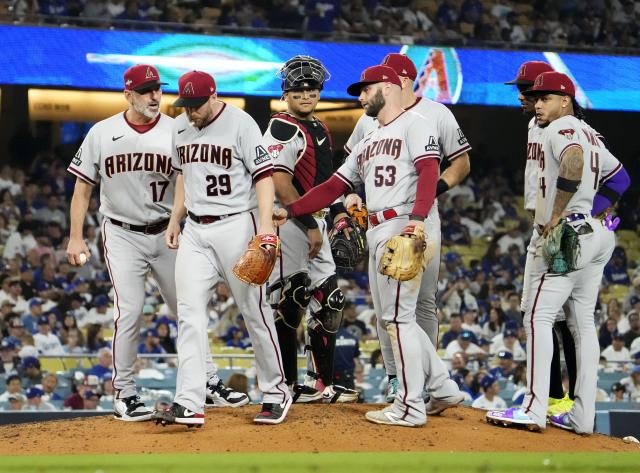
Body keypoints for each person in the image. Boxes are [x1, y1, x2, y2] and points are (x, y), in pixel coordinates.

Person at [274, 64, 463, 427]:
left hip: (403, 222)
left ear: (389, 87)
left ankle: (409, 405)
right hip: (377, 226)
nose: (360, 97)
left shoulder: (417, 122)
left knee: (398, 318)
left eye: (365, 89)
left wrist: (417, 221)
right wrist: (291, 209)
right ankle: (441, 387)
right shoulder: (370, 137)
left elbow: (428, 172)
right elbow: (332, 187)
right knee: (393, 316)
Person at [66, 64, 247, 421]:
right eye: (146, 90)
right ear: (128, 94)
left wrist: (179, 219)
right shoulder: (102, 133)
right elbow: (82, 187)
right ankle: (125, 392)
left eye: (157, 89)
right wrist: (75, 237)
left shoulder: (178, 128)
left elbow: (186, 177)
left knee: (188, 309)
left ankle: (207, 382)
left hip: (169, 229)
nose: (154, 95)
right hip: (121, 232)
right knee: (129, 311)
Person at [487, 72, 627, 434]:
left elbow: (573, 161)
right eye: (536, 98)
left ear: (564, 100)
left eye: (545, 98)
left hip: (568, 231)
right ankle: (582, 417)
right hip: (595, 234)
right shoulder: (590, 132)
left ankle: (534, 409)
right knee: (582, 325)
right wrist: (590, 208)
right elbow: (620, 176)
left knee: (538, 317)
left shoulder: (561, 127)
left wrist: (558, 213)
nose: (537, 103)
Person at [153, 70, 291, 427]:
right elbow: (183, 174)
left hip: (235, 224)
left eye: (196, 104)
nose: (191, 111)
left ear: (213, 96)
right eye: (186, 105)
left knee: (254, 310)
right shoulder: (181, 127)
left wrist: (263, 227)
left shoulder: (241, 124)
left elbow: (263, 177)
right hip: (196, 229)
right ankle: (189, 402)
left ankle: (276, 392)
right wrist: (174, 218)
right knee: (189, 314)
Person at [344, 53, 471, 402]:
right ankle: (396, 377)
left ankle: (427, 384)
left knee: (423, 304)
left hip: (421, 218)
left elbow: (461, 163)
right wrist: (353, 195)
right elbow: (351, 170)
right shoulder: (370, 118)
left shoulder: (435, 113)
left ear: (403, 81)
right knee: (388, 307)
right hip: (381, 219)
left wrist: (429, 194)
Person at [261, 55, 357, 403]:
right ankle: (284, 385)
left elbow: (326, 182)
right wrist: (309, 224)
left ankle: (320, 382)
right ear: (285, 92)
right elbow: (280, 183)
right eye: (298, 87)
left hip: (312, 220)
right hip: (287, 220)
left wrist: (338, 216)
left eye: (312, 86)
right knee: (291, 299)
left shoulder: (319, 126)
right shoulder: (280, 128)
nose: (306, 93)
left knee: (330, 299)